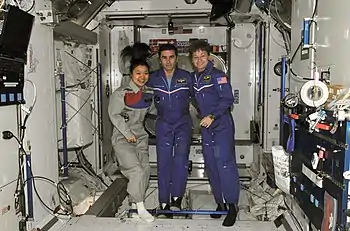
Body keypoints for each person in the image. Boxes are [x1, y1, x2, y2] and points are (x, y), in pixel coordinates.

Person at [188, 40, 240, 227]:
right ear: (192, 60)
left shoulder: (218, 76)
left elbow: (228, 98)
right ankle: (220, 202)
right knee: (211, 165)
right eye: (196, 57)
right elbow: (194, 97)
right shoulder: (194, 78)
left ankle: (232, 205)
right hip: (206, 127)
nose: (200, 60)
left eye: (203, 56)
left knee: (225, 164)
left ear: (208, 57)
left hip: (221, 125)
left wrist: (211, 115)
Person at [147, 44, 193, 214]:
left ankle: (177, 199)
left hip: (183, 123)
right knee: (163, 162)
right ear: (159, 60)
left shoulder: (187, 77)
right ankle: (164, 201)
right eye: (164, 57)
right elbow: (137, 91)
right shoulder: (152, 78)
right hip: (163, 124)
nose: (168, 61)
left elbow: (200, 98)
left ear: (177, 58)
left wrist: (212, 116)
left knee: (180, 161)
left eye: (171, 57)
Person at [108, 58, 155, 223]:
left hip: (140, 136)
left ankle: (134, 207)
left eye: (145, 73)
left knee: (146, 170)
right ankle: (141, 208)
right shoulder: (121, 93)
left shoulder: (148, 93)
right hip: (123, 137)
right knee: (136, 171)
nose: (142, 77)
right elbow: (114, 115)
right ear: (131, 74)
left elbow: (155, 111)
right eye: (138, 73)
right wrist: (127, 133)